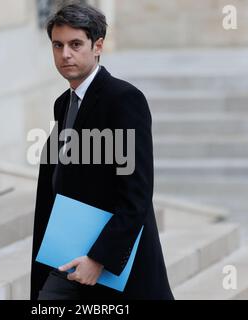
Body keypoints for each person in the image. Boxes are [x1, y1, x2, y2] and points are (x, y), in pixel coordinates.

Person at [30, 3, 174, 300]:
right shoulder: (63, 103)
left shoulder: (124, 100)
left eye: (75, 44)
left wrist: (99, 259)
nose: (65, 54)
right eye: (58, 45)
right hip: (66, 257)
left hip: (111, 268)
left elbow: (136, 194)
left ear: (98, 46)